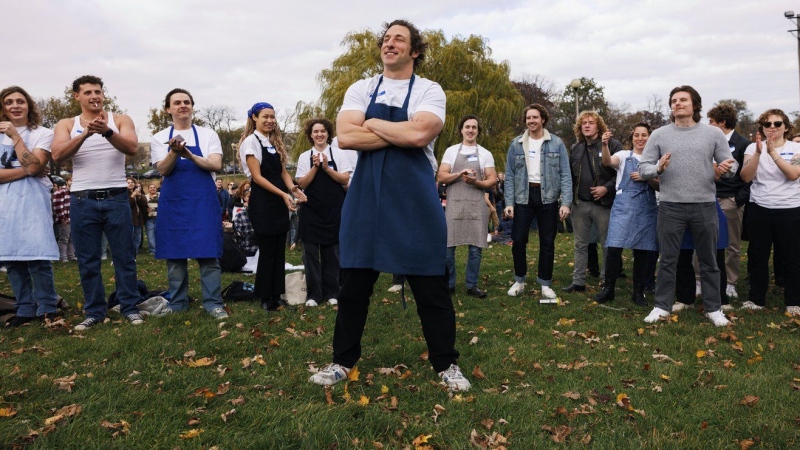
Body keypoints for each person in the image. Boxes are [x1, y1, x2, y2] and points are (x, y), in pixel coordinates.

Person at [309, 19, 470, 391]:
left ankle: (446, 364)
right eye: (386, 38)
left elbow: (418, 135)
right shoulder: (361, 87)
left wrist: (373, 122)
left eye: (399, 38)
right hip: (366, 198)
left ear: (414, 51)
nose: (390, 43)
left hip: (415, 201)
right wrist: (397, 131)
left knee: (430, 285)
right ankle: (342, 362)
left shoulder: (430, 90)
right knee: (352, 288)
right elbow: (346, 138)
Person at [637, 85, 737, 327]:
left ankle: (713, 308)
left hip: (704, 206)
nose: (677, 103)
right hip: (671, 206)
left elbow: (732, 167)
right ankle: (661, 306)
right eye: (674, 100)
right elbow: (643, 168)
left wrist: (726, 169)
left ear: (695, 105)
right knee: (668, 260)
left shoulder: (713, 134)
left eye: (683, 100)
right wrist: (658, 169)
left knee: (710, 261)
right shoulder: (659, 134)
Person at [51, 75, 143, 331]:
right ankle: (94, 311)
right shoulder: (67, 123)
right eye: (88, 92)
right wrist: (85, 134)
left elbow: (132, 147)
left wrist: (107, 131)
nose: (94, 96)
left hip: (116, 197)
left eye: (98, 92)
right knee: (88, 260)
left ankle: (130, 307)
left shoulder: (120, 119)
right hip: (82, 200)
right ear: (76, 96)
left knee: (125, 256)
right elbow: (58, 155)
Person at [150, 88, 228, 320]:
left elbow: (215, 164)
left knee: (208, 255)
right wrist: (175, 151)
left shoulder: (208, 135)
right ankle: (177, 303)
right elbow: (163, 169)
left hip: (203, 203)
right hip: (174, 203)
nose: (182, 105)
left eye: (186, 102)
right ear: (168, 109)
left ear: (192, 107)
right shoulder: (158, 137)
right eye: (177, 103)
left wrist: (190, 155)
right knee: (175, 256)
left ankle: (213, 303)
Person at [0, 86, 60, 327]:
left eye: (20, 101)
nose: (15, 106)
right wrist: (27, 171)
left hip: (33, 201)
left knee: (37, 256)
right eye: (9, 102)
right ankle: (24, 308)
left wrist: (16, 137)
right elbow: (32, 168)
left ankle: (47, 306)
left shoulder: (43, 133)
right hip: (4, 204)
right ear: (2, 107)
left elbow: (37, 167)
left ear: (28, 105)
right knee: (12, 258)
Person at [238, 102, 306, 312]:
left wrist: (293, 190)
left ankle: (277, 296)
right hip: (264, 201)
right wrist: (283, 194)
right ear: (254, 118)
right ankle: (266, 298)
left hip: (279, 200)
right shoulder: (251, 143)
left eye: (272, 117)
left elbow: (282, 172)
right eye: (265, 116)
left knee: (279, 250)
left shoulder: (272, 142)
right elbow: (257, 178)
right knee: (268, 251)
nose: (269, 120)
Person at [504, 104, 572, 300]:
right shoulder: (516, 144)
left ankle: (545, 283)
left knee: (547, 242)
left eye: (535, 117)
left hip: (548, 197)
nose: (531, 121)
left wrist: (565, 203)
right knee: (518, 240)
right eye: (528, 118)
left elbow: (565, 174)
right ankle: (519, 280)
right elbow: (509, 175)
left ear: (543, 119)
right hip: (523, 197)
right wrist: (509, 202)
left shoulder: (556, 144)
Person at [739, 109, 800, 316]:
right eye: (767, 124)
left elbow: (793, 174)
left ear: (786, 126)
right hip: (760, 208)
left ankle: (793, 301)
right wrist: (758, 153)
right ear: (762, 128)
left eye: (777, 123)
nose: (772, 127)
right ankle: (756, 299)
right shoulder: (752, 148)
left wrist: (773, 152)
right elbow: (746, 177)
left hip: (790, 209)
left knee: (791, 257)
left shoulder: (796, 148)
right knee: (757, 256)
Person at [594, 122, 658, 306]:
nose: (640, 138)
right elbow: (607, 162)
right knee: (614, 248)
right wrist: (605, 145)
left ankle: (638, 292)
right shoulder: (623, 156)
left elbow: (660, 185)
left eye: (644, 135)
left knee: (643, 251)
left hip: (646, 209)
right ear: (632, 138)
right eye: (636, 135)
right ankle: (608, 289)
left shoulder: (655, 160)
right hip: (623, 208)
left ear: (650, 137)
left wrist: (647, 176)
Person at [437, 114, 497, 298]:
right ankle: (449, 284)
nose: (471, 130)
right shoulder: (451, 151)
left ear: (478, 131)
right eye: (467, 127)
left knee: (475, 248)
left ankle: (472, 285)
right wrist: (460, 173)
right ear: (461, 130)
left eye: (474, 127)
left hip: (476, 206)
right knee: (448, 248)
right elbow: (441, 177)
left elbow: (492, 180)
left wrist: (476, 182)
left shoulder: (485, 153)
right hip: (454, 205)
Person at [295, 118, 353, 307]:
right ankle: (314, 295)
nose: (319, 134)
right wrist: (314, 167)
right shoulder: (305, 156)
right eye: (315, 131)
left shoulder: (339, 154)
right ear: (310, 135)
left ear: (328, 133)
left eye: (323, 131)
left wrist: (327, 168)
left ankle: (332, 291)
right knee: (310, 254)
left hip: (333, 209)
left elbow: (344, 179)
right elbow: (301, 184)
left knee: (332, 254)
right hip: (311, 210)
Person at [564, 111, 620, 293]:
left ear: (599, 126)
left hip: (603, 205)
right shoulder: (576, 148)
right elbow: (571, 176)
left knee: (606, 244)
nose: (587, 126)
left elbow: (621, 173)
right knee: (580, 245)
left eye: (591, 122)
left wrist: (607, 188)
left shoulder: (612, 144)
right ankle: (578, 282)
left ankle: (605, 281)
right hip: (580, 204)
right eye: (583, 123)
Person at [707, 104, 751, 299]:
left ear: (722, 122)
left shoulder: (742, 143)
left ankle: (730, 282)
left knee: (732, 244)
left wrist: (737, 199)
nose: (708, 125)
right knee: (704, 242)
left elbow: (748, 176)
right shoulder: (707, 141)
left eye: (711, 121)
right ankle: (700, 280)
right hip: (707, 198)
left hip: (730, 200)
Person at [52, 175, 76, 262]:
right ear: (67, 181)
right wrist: (62, 218)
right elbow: (57, 206)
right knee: (64, 239)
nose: (72, 182)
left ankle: (71, 256)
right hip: (65, 220)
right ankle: (62, 257)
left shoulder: (74, 193)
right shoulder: (60, 192)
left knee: (72, 239)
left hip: (73, 219)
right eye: (71, 180)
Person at [127, 177, 148, 255]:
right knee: (129, 239)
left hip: (138, 219)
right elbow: (127, 205)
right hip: (129, 219)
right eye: (128, 182)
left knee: (137, 239)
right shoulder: (124, 194)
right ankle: (128, 255)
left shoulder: (137, 192)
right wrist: (132, 196)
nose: (130, 184)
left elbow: (144, 204)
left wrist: (139, 196)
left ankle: (134, 255)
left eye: (132, 182)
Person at [145, 183, 159, 254]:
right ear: (148, 189)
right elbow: (143, 206)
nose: (152, 188)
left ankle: (160, 249)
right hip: (150, 219)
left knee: (159, 235)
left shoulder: (160, 195)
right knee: (150, 236)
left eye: (154, 187)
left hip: (159, 218)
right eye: (150, 187)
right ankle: (153, 250)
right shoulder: (145, 197)